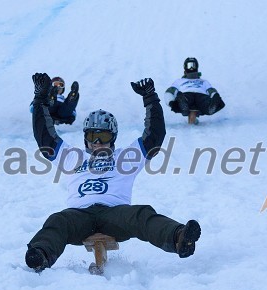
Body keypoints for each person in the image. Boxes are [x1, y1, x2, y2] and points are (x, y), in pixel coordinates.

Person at [25, 73, 201, 273]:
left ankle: (179, 238)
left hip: (115, 214)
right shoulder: (73, 156)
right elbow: (45, 138)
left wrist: (150, 98)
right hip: (78, 215)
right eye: (93, 135)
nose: (97, 142)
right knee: (58, 220)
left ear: (113, 137)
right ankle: (40, 254)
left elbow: (154, 136)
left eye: (103, 136)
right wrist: (40, 98)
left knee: (141, 214)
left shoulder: (125, 158)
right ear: (85, 138)